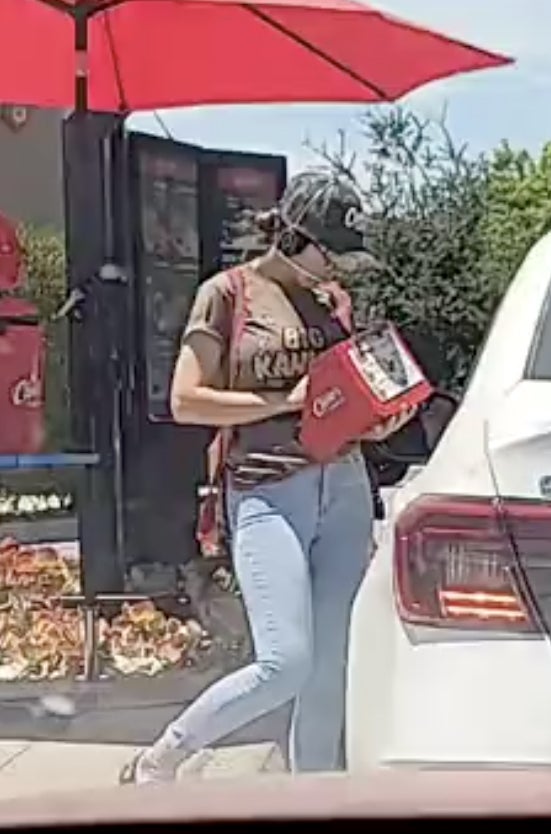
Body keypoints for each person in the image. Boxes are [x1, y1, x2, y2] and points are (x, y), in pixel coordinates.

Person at [123, 171, 414, 782]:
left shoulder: (333, 302)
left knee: (332, 662)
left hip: (344, 485)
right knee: (287, 661)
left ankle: (315, 801)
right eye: (329, 250)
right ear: (295, 234)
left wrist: (379, 420)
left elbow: (339, 399)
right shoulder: (227, 294)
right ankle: (164, 756)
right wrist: (284, 400)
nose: (335, 266)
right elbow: (186, 401)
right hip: (265, 490)